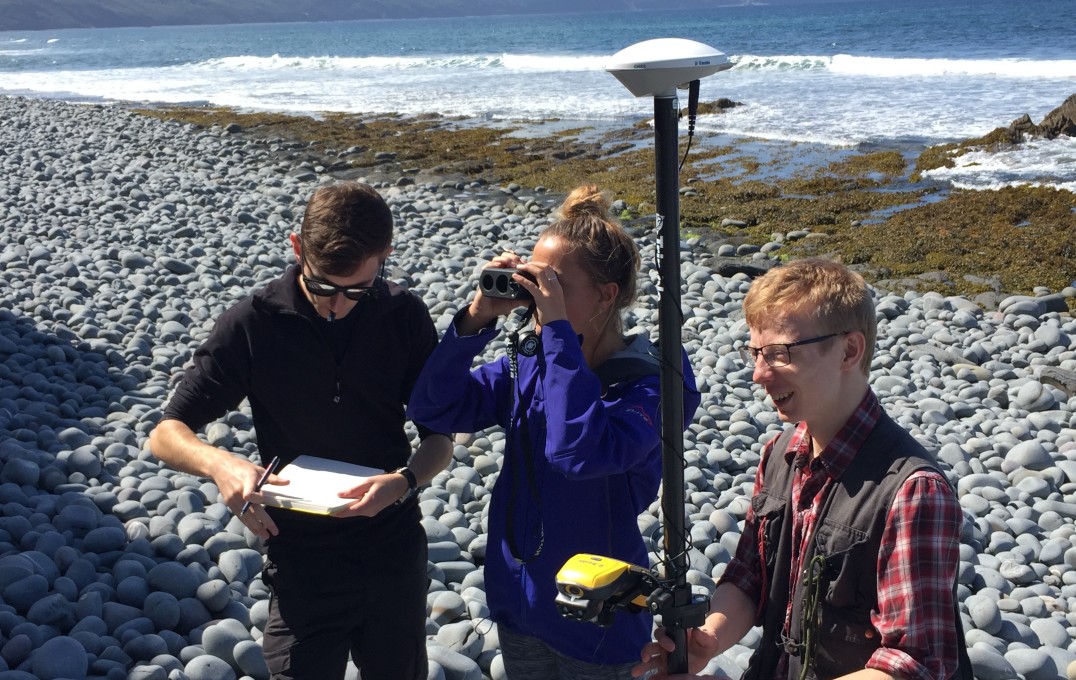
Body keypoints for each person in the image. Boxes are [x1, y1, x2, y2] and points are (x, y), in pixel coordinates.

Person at [149, 181, 452, 680]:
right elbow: (166, 432)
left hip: (392, 548)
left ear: (384, 257)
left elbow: (439, 439)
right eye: (323, 286)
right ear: (297, 248)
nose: (338, 304)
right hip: (300, 556)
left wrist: (405, 481)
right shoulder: (253, 324)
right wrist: (222, 465)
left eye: (357, 289)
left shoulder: (405, 317)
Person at [407, 184, 701, 678]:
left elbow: (579, 452)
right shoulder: (533, 364)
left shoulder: (650, 385)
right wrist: (477, 317)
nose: (538, 297)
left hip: (598, 618)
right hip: (520, 603)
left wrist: (559, 333)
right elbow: (434, 407)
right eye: (534, 281)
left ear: (607, 295)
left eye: (554, 285)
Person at [634, 257, 970, 680]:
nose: (757, 374)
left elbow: (915, 663)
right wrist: (710, 638)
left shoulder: (913, 491)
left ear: (849, 350)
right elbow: (748, 576)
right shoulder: (781, 453)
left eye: (779, 354)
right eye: (756, 353)